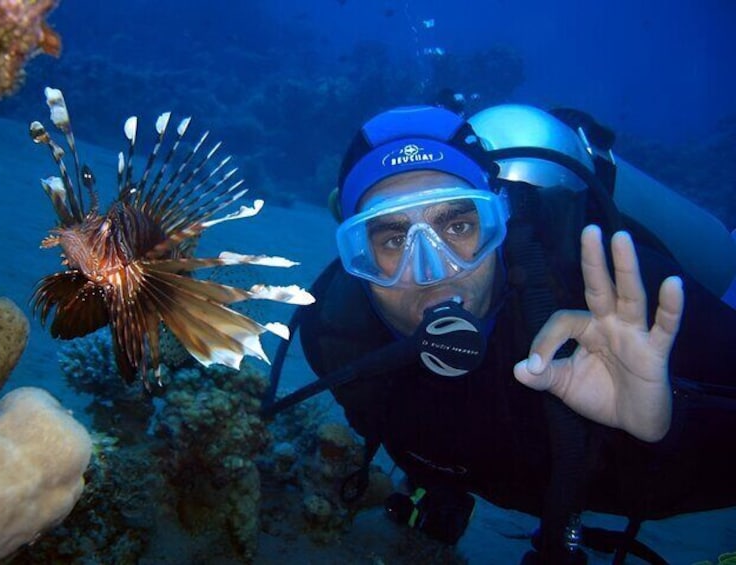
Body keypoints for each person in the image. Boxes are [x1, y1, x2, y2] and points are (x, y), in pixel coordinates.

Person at [266, 103, 736, 563]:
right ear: (359, 259)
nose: (433, 272)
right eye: (392, 240)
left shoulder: (614, 297)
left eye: (460, 225)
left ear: (500, 224)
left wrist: (662, 430)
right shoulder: (334, 337)